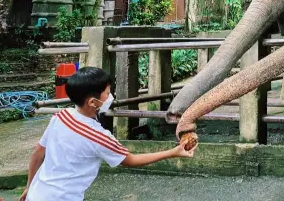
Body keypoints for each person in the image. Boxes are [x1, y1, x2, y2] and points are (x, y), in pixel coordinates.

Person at [20, 67, 196, 201]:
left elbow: (37, 153)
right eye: (107, 93)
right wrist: (174, 152)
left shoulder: (60, 116)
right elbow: (130, 160)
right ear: (92, 101)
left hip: (37, 193)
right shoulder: (99, 136)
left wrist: (28, 187)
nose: (110, 96)